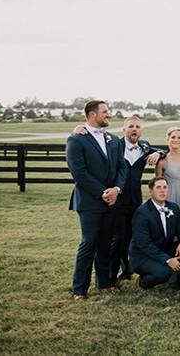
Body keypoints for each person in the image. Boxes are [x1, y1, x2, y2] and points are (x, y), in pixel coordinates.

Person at [69, 115, 165, 286]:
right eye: (130, 127)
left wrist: (158, 153)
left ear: (141, 130)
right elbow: (91, 142)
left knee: (130, 237)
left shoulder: (145, 147)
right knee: (115, 239)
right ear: (124, 130)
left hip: (134, 200)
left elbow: (165, 151)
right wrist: (76, 129)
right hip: (115, 199)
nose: (134, 129)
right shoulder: (114, 144)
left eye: (137, 126)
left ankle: (126, 271)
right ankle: (110, 278)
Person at [66, 100, 128, 301]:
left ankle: (104, 283)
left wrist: (117, 189)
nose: (108, 115)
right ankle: (79, 289)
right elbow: (79, 173)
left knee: (105, 244)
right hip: (90, 201)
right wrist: (103, 192)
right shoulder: (76, 140)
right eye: (105, 112)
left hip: (112, 200)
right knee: (89, 243)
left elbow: (122, 167)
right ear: (93, 115)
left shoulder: (114, 139)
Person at [129, 176, 180, 290]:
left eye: (165, 187)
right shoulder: (142, 213)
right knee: (164, 273)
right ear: (151, 192)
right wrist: (168, 260)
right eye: (158, 187)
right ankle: (143, 282)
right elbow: (144, 245)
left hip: (164, 248)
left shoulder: (173, 207)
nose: (162, 190)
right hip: (144, 256)